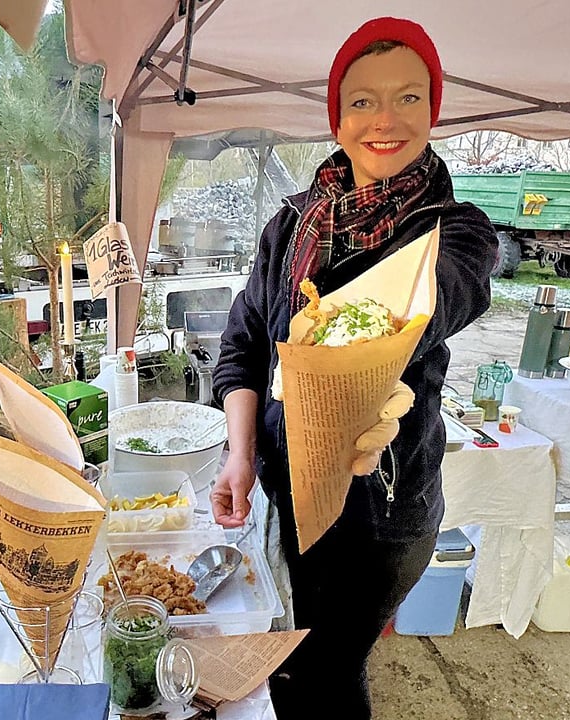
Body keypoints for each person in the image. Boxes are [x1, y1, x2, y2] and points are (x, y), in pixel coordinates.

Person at [211, 17, 497, 719]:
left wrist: (370, 366)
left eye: (409, 98)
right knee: (298, 654)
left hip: (380, 512)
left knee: (327, 672)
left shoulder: (454, 230)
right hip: (286, 487)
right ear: (337, 117)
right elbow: (243, 342)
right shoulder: (293, 224)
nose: (385, 119)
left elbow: (440, 297)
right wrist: (240, 457)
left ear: (434, 111)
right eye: (362, 100)